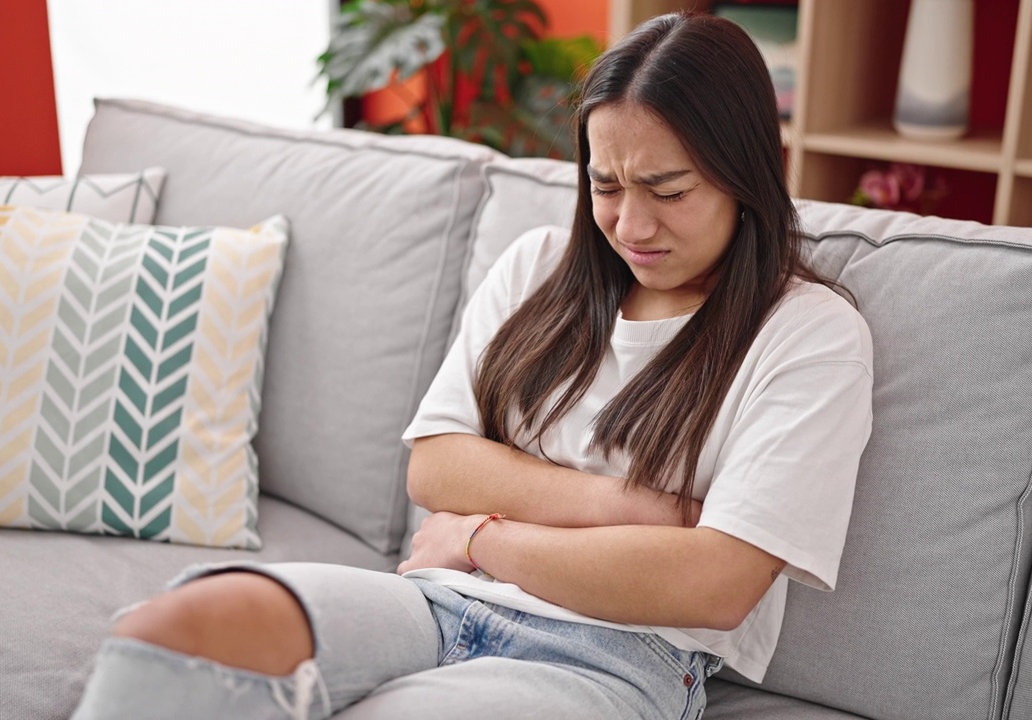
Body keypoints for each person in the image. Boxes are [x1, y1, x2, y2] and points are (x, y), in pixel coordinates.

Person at [70, 11, 872, 720]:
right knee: (171, 632)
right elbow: (437, 465)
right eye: (606, 185)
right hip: (431, 602)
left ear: (744, 176)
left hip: (619, 659)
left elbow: (714, 584)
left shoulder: (808, 333)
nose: (630, 224)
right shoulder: (538, 268)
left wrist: (483, 536)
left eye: (667, 189)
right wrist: (629, 508)